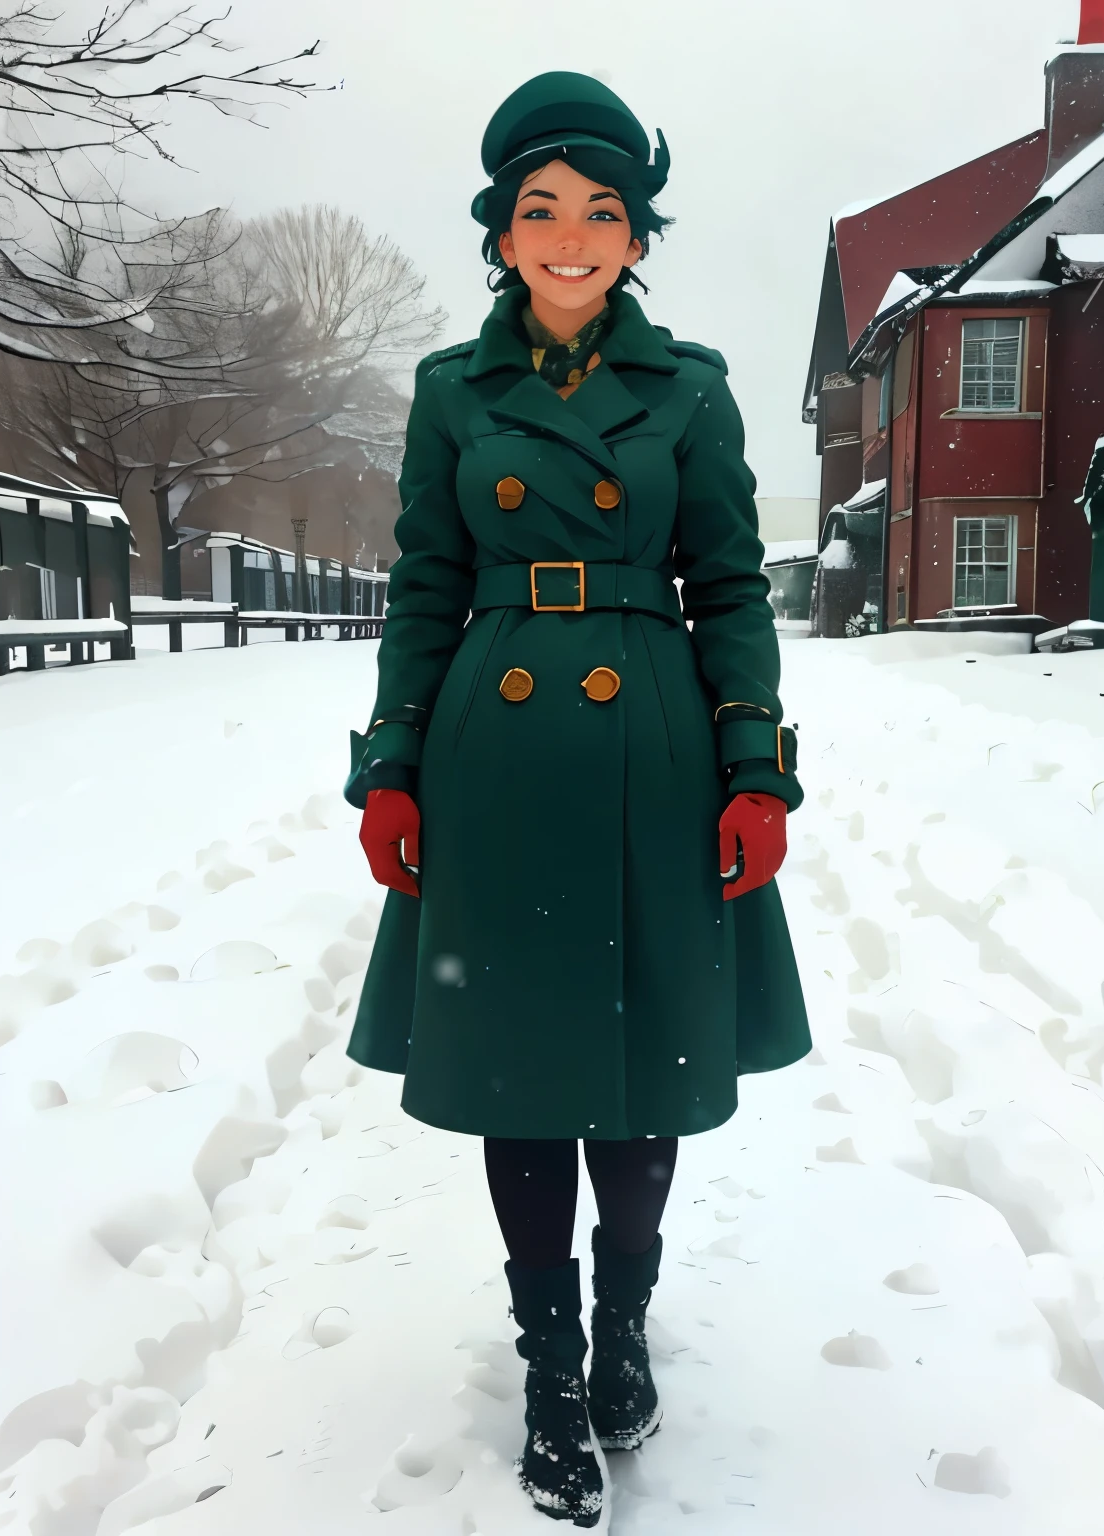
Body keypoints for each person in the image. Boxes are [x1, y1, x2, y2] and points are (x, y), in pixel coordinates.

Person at [343, 72, 811, 1528]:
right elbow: (424, 584)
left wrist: (756, 768)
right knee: (523, 1066)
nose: (570, 234)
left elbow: (728, 584)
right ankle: (551, 1369)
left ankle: (622, 1328)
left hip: (650, 745)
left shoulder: (691, 391)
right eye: (539, 209)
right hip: (495, 751)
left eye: (601, 210)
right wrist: (390, 763)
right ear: (499, 231)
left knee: (646, 1057)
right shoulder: (448, 393)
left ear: (635, 235)